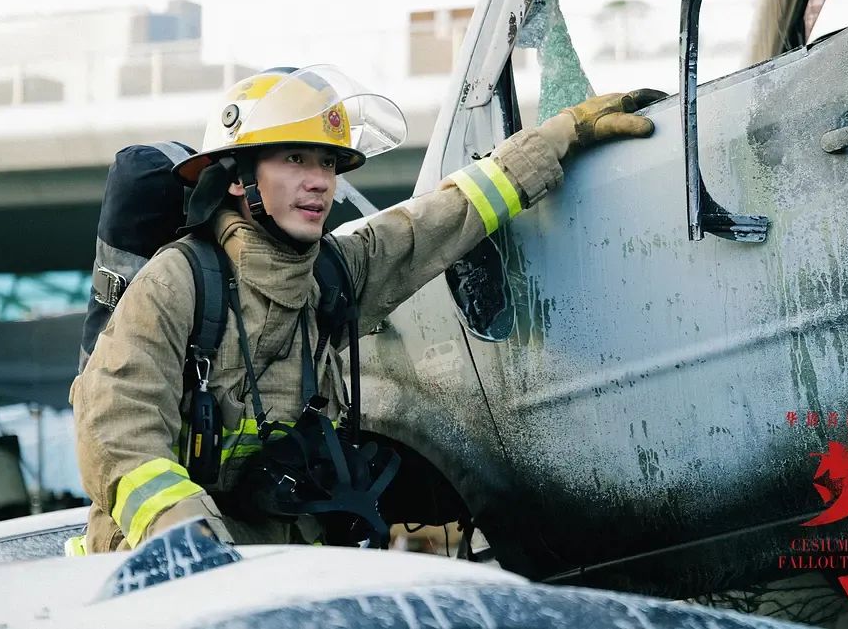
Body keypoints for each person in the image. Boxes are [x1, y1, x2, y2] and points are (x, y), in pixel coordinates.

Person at [70, 65, 662, 553]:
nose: (319, 182)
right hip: (157, 563)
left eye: (328, 163)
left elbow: (446, 215)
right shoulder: (177, 281)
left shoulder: (334, 272)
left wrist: (562, 133)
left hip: (284, 559)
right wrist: (189, 541)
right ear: (235, 179)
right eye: (295, 159)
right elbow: (117, 427)